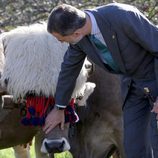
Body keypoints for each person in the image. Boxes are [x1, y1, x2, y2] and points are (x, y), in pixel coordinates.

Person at [43, 2, 158, 158]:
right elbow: (68, 70)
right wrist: (59, 108)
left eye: (61, 39)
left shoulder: (122, 16)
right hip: (132, 88)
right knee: (133, 147)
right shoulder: (79, 40)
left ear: (76, 33)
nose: (61, 42)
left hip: (154, 78)